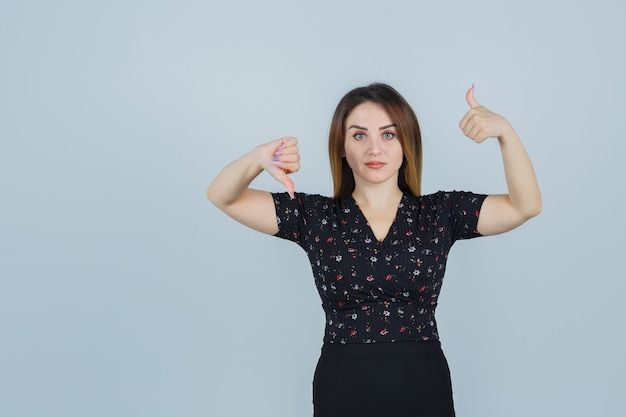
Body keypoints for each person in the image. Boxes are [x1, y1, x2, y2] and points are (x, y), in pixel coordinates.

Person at [206, 83, 541, 417]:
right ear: (341, 146)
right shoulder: (315, 217)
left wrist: (506, 134)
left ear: (407, 142)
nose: (374, 150)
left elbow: (524, 206)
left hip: (425, 386)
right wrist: (256, 159)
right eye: (359, 135)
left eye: (388, 135)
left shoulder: (441, 213)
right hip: (343, 387)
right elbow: (223, 195)